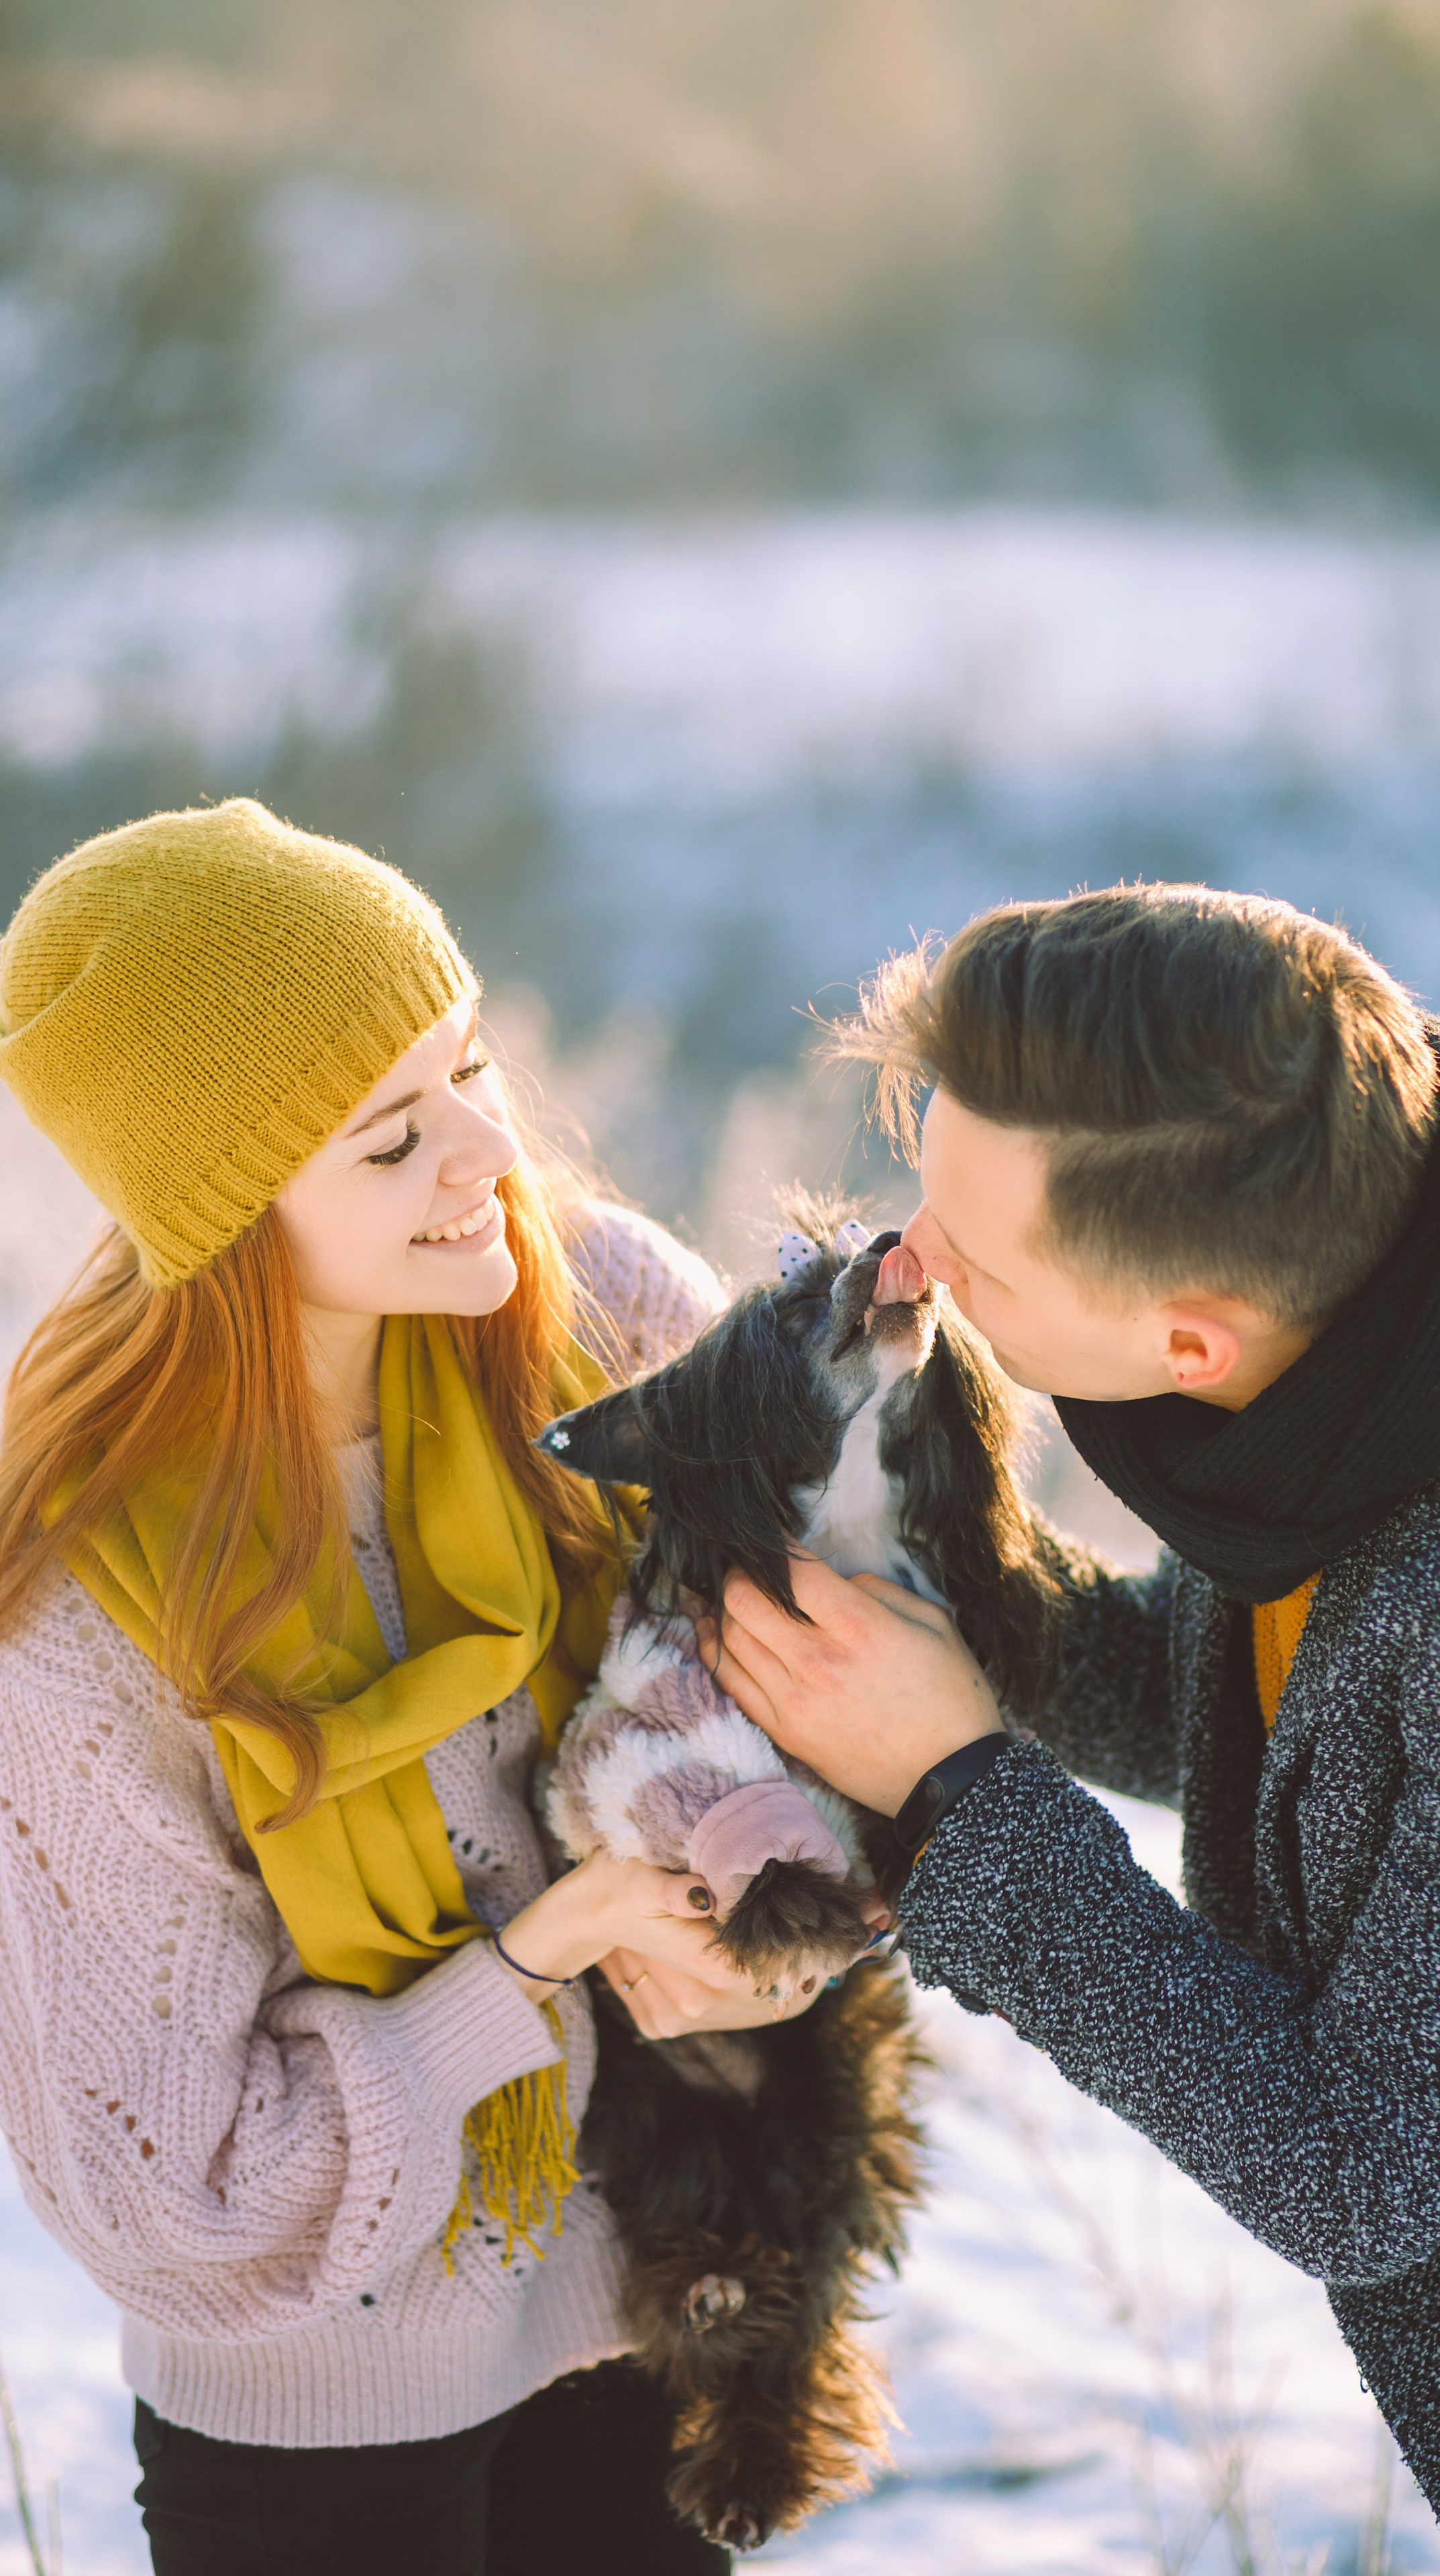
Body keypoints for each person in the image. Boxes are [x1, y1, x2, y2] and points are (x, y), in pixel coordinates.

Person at [705, 883, 1440, 2576]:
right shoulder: (1360, 1204)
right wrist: (949, 1592)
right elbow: (1266, 1707)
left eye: (970, 1254)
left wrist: (959, 1795)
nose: (909, 1267)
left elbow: (1359, 2160)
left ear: (1187, 1339)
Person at [0, 798, 808, 2576]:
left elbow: (848, 1707)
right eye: (388, 1144)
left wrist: (759, 1926)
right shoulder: (87, 1609)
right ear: (219, 1226)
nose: (479, 1161)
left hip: (644, 2293)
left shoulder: (604, 1324)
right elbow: (177, 2200)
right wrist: (540, 1955)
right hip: (321, 2407)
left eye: (469, 1072)